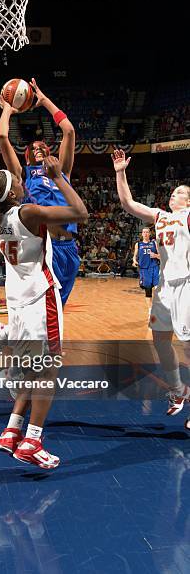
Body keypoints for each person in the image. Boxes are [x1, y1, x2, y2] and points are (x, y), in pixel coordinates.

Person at [0, 156, 88, 469]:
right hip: (39, 296)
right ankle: (33, 441)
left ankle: (12, 430)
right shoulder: (28, 212)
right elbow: (80, 213)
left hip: (16, 301)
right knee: (48, 370)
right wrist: (60, 177)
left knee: (33, 369)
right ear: (11, 193)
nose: (23, 181)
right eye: (17, 180)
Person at [111, 149, 190, 426]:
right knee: (160, 340)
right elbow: (128, 203)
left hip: (186, 286)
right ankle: (179, 391)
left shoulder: (189, 216)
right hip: (165, 286)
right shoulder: (160, 216)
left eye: (180, 192)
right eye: (174, 191)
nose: (174, 193)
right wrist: (121, 172)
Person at [0, 78, 79, 307]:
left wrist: (44, 101)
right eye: (33, 148)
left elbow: (69, 130)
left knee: (57, 312)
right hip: (46, 248)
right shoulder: (22, 175)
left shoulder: (61, 171)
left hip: (70, 249)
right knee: (45, 313)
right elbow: (2, 137)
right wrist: (7, 110)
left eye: (42, 146)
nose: (38, 148)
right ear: (26, 157)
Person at [132, 227, 160, 305]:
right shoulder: (138, 244)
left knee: (158, 288)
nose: (145, 234)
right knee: (148, 290)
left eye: (147, 232)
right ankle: (150, 311)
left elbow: (161, 256)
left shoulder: (154, 243)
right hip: (144, 269)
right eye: (144, 232)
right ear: (142, 234)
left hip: (154, 267)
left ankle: (159, 307)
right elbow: (134, 256)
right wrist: (134, 261)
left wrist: (155, 255)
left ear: (149, 233)